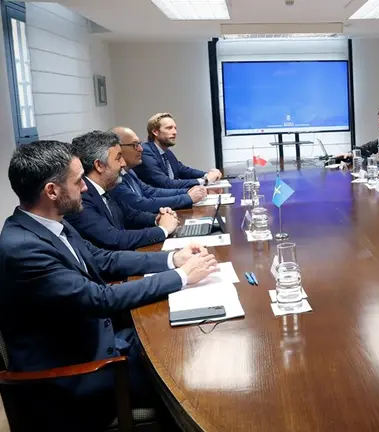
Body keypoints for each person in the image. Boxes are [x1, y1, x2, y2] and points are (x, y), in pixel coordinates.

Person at [0, 140, 219, 430]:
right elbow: (99, 299)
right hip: (77, 377)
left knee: (189, 339)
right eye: (78, 181)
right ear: (52, 191)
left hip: (96, 342)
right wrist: (181, 277)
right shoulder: (24, 248)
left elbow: (103, 259)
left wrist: (173, 259)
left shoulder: (50, 224)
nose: (87, 188)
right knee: (189, 377)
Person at [65, 130, 179, 250]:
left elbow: (131, 216)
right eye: (118, 158)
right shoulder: (81, 198)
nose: (123, 163)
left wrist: (158, 218)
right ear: (99, 165)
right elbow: (115, 239)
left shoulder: (106, 188)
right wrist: (163, 230)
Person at [110, 126, 207, 212]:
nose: (140, 149)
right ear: (117, 148)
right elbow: (142, 204)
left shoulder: (129, 171)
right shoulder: (113, 178)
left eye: (139, 144)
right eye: (135, 145)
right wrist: (187, 198)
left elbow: (150, 191)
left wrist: (187, 191)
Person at [133, 112, 222, 189]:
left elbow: (183, 170)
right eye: (169, 128)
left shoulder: (166, 152)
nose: (175, 132)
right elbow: (166, 184)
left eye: (175, 128)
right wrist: (205, 180)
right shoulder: (146, 152)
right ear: (155, 132)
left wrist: (209, 174)